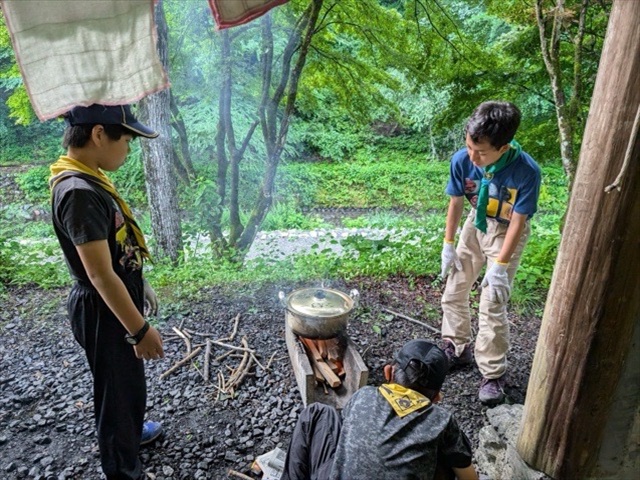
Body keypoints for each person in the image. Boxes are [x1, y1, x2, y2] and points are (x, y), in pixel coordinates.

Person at [49, 104, 165, 480]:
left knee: (128, 381)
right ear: (99, 134)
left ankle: (130, 435)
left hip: (116, 298)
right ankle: (122, 467)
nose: (129, 149)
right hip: (103, 308)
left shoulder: (91, 177)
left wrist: (139, 280)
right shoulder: (78, 191)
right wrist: (140, 329)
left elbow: (113, 252)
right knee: (115, 391)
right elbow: (99, 275)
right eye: (127, 140)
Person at [439, 101, 541, 405]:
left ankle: (493, 373)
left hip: (506, 230)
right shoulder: (462, 160)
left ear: (504, 146)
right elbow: (456, 202)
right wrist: (448, 243)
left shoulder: (526, 172)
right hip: (475, 222)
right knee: (455, 287)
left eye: (481, 152)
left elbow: (519, 222)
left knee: (492, 301)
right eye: (469, 145)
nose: (473, 156)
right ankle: (456, 347)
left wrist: (500, 266)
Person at [282, 339, 479, 480]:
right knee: (451, 457)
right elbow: (469, 476)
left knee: (317, 413)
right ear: (437, 396)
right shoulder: (442, 421)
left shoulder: (363, 395)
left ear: (388, 371)